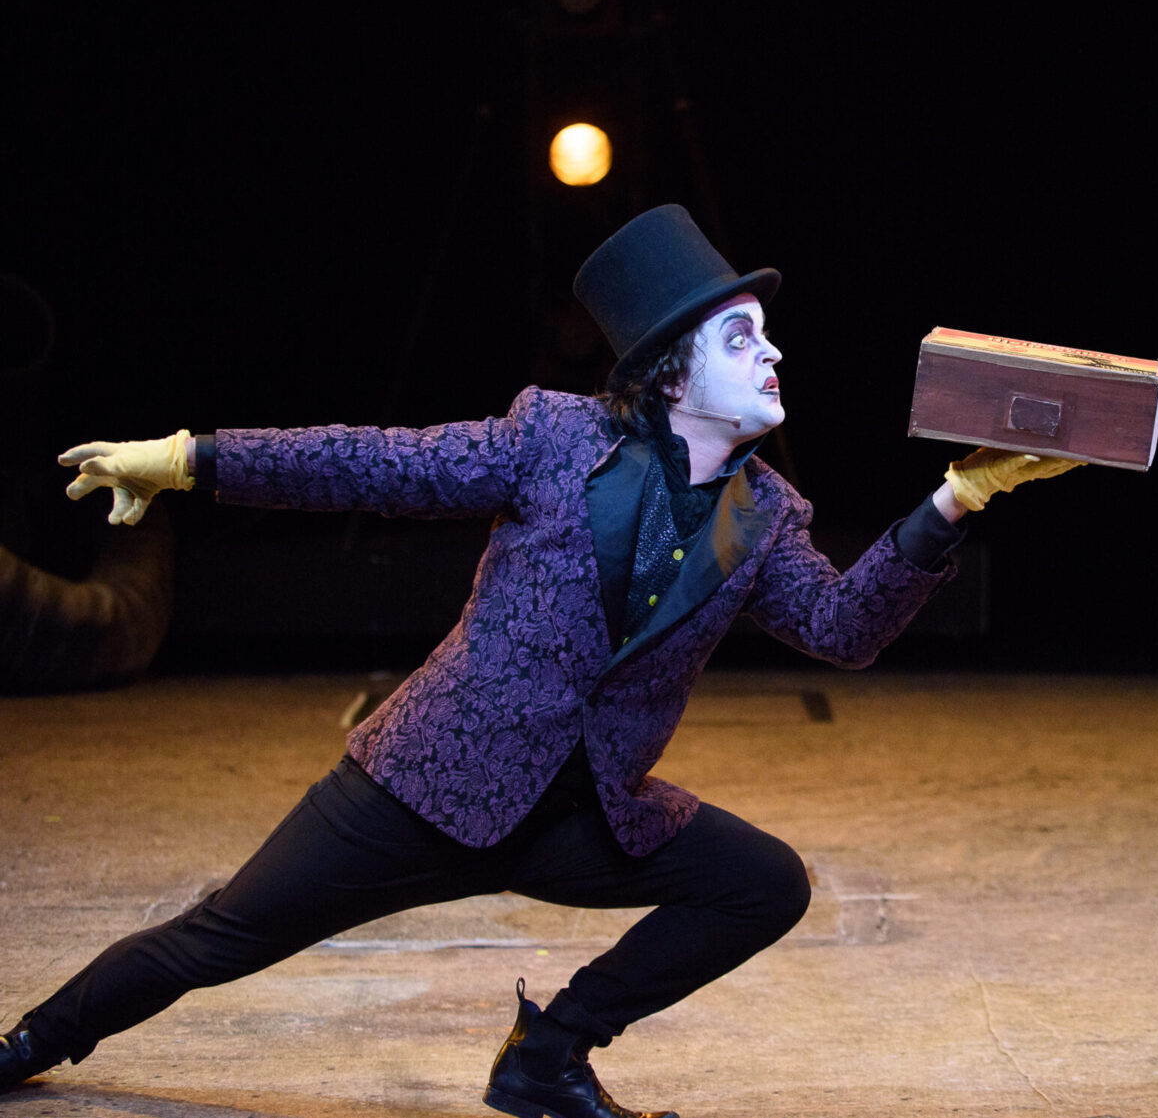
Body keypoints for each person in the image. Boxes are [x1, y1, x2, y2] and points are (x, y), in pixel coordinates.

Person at [0, 204, 1079, 1118]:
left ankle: (547, 1055)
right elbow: (376, 465)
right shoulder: (552, 438)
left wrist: (958, 498)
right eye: (742, 336)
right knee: (220, 937)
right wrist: (189, 459)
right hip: (425, 784)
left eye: (769, 336)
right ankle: (31, 1042)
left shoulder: (765, 514)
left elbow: (842, 628)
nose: (775, 354)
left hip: (582, 817)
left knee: (763, 884)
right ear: (672, 367)